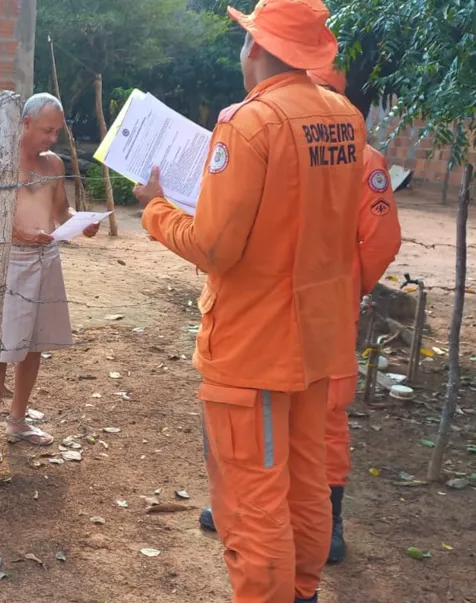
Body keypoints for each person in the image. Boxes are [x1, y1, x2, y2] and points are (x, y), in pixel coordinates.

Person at [133, 0, 367, 601]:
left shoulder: (249, 123)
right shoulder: (344, 117)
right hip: (316, 340)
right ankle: (304, 590)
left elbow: (215, 246)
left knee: (251, 500)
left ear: (256, 49)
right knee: (306, 483)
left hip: (255, 347)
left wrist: (157, 208)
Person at [196, 64, 404, 566]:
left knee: (306, 430)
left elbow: (379, 241)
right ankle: (306, 535)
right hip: (314, 313)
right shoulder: (343, 139)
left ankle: (315, 524)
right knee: (303, 432)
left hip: (290, 320)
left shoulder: (281, 132)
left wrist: (342, 284)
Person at [0, 92, 98, 463]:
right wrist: (19, 233)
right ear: (24, 123)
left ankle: (18, 420)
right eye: (46, 130)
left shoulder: (53, 164)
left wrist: (80, 222)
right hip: (9, 260)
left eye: (56, 131)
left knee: (33, 345)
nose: (51, 138)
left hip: (46, 257)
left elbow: (60, 209)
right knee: (0, 346)